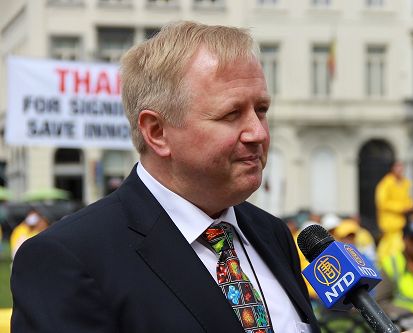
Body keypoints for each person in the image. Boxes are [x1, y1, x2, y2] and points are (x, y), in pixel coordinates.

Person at [10, 21, 319, 333]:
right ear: (157, 132)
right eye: (231, 114)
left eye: (262, 110)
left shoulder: (272, 234)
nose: (258, 132)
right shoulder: (69, 259)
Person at [375, 161, 413, 261]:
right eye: (398, 167)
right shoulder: (386, 183)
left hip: (402, 224)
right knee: (389, 249)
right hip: (389, 224)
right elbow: (382, 202)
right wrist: (402, 208)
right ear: (392, 168)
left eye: (401, 167)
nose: (400, 170)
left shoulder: (405, 183)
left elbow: (408, 198)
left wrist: (411, 205)